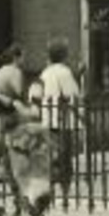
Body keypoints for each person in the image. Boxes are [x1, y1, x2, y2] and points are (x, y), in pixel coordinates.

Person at [37, 37, 83, 183]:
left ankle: (53, 175)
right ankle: (64, 178)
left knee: (52, 150)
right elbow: (72, 94)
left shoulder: (45, 72)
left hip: (48, 116)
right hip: (62, 117)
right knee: (65, 150)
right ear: (64, 55)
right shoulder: (65, 72)